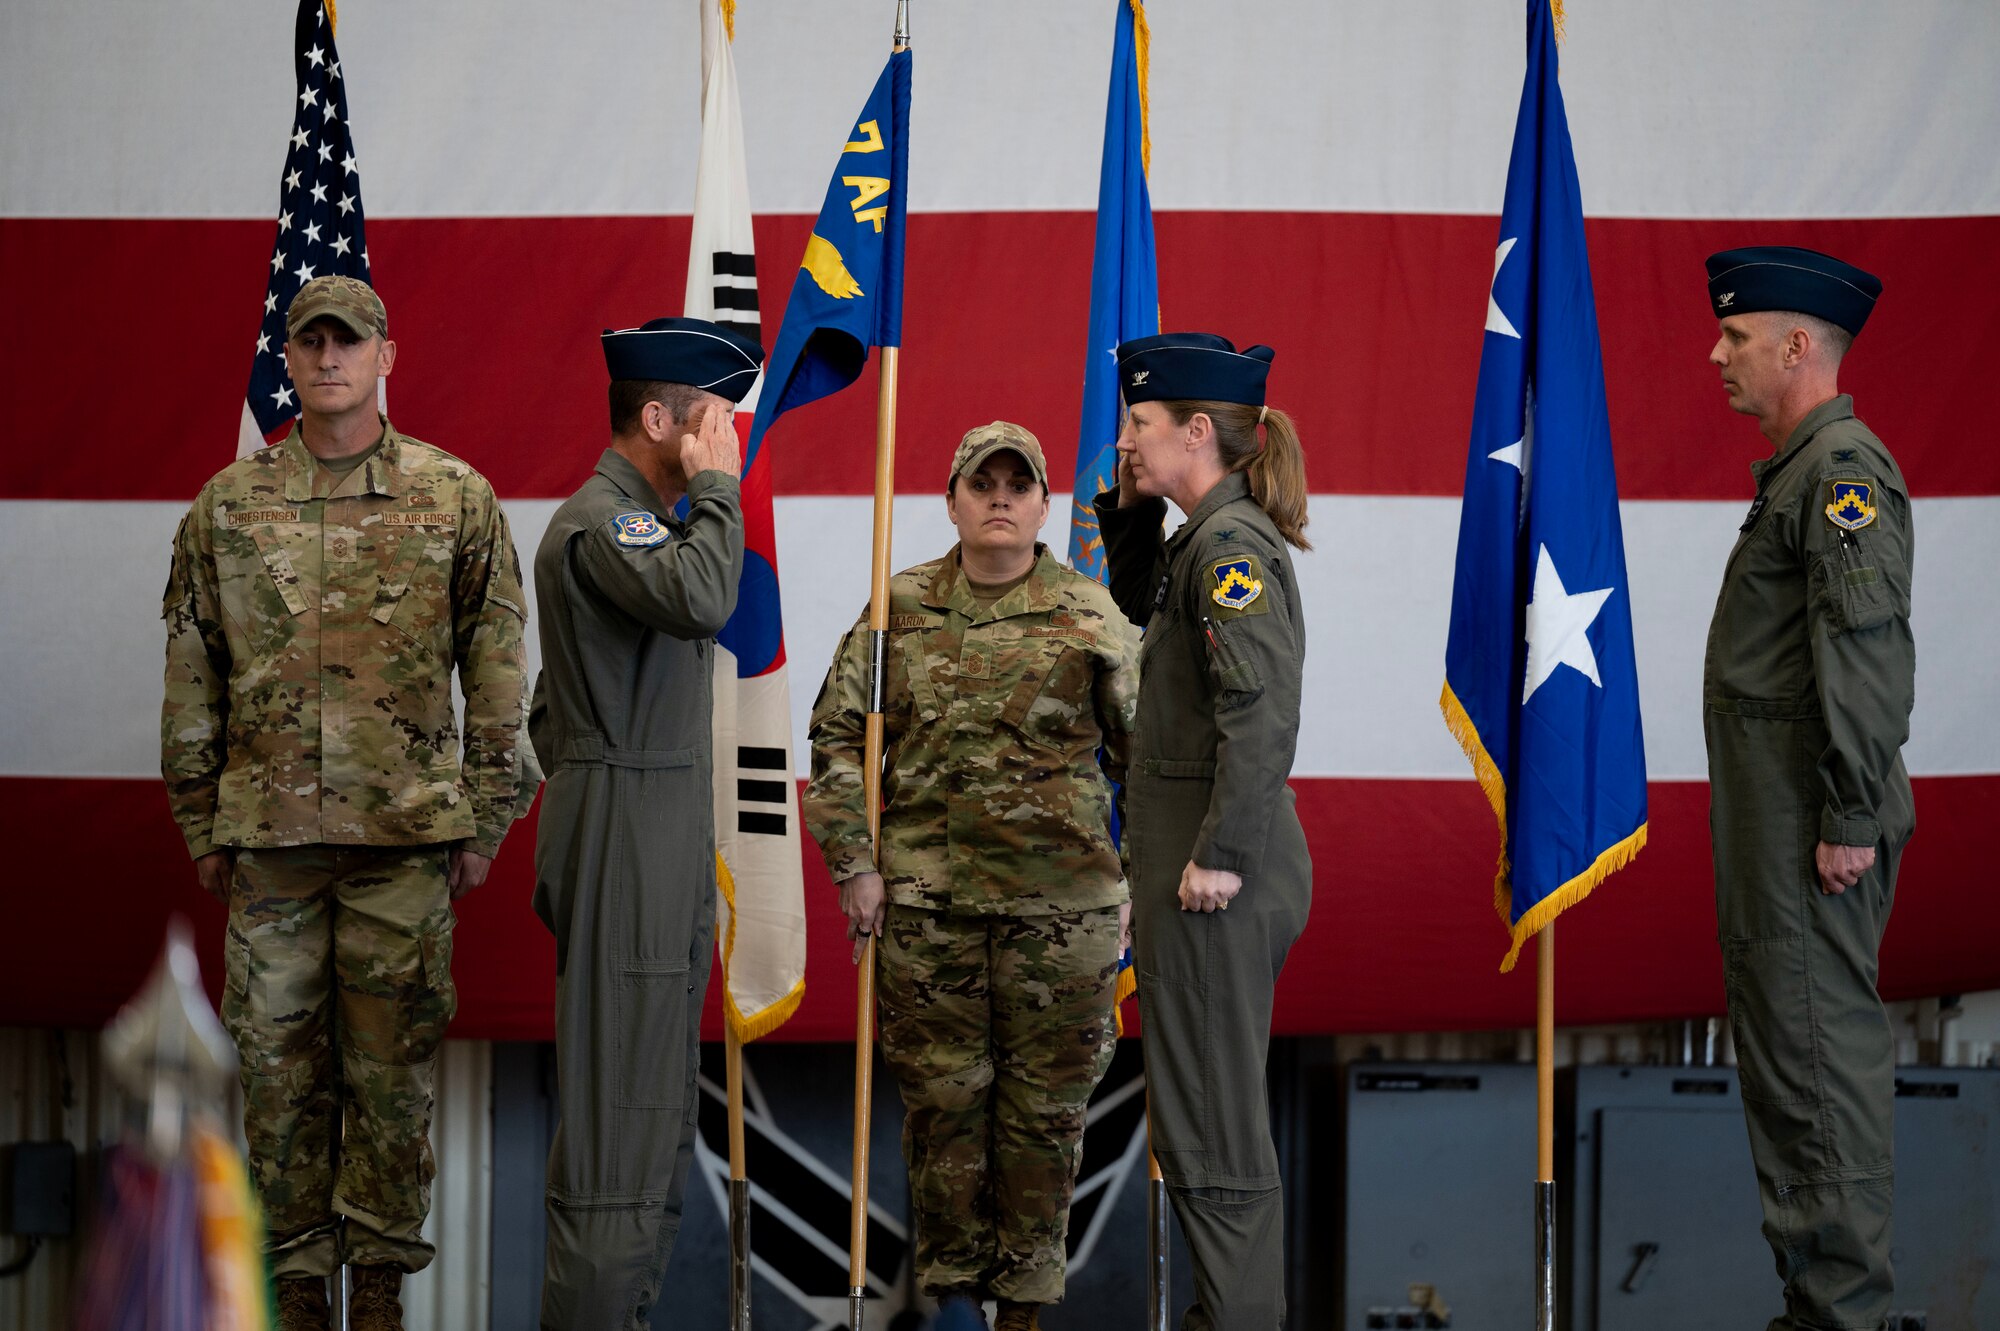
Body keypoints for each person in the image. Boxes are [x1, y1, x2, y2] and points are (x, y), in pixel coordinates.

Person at [161, 275, 533, 1331]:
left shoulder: (453, 495)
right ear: (289, 355)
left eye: (349, 340)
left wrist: (485, 816)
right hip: (269, 846)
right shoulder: (228, 506)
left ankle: (377, 1283)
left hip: (403, 843)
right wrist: (201, 818)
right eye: (311, 340)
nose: (329, 357)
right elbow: (192, 665)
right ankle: (300, 1287)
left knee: (389, 1071)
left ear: (385, 356)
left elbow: (499, 668)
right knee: (276, 1075)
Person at [804, 422, 1140, 1331]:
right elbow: (835, 739)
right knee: (945, 1122)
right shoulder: (896, 608)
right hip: (927, 914)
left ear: (1041, 505)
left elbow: (1147, 758)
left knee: (1044, 1126)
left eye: (1017, 484)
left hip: (1061, 921)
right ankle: (952, 1311)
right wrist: (854, 866)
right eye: (981, 482)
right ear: (951, 500)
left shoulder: (1090, 613)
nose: (999, 497)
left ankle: (1024, 1317)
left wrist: (1133, 888)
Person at [527, 315, 757, 1329]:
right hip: (628, 837)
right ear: (656, 417)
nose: (728, 443)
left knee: (656, 1126)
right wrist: (716, 490)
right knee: (617, 1145)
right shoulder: (605, 521)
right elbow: (706, 598)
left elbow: (552, 704)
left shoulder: (644, 525)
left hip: (647, 832)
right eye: (713, 422)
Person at [1701, 246, 1914, 1331]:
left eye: (1735, 337)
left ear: (1795, 346)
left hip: (1807, 826)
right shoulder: (1799, 473)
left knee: (1817, 1072)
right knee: (1790, 1073)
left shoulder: (1838, 475)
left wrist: (1845, 811)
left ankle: (1841, 1312)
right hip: (1777, 822)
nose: (1716, 353)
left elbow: (1861, 649)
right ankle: (1817, 1302)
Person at [1092, 333, 1312, 1331]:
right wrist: (1129, 510)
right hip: (1191, 870)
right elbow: (1136, 613)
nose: (1124, 440)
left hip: (1212, 875)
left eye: (1139, 424)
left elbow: (1257, 713)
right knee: (1195, 1125)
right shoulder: (1198, 538)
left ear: (1196, 431)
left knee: (1215, 1133)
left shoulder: (1229, 549)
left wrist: (1219, 856)